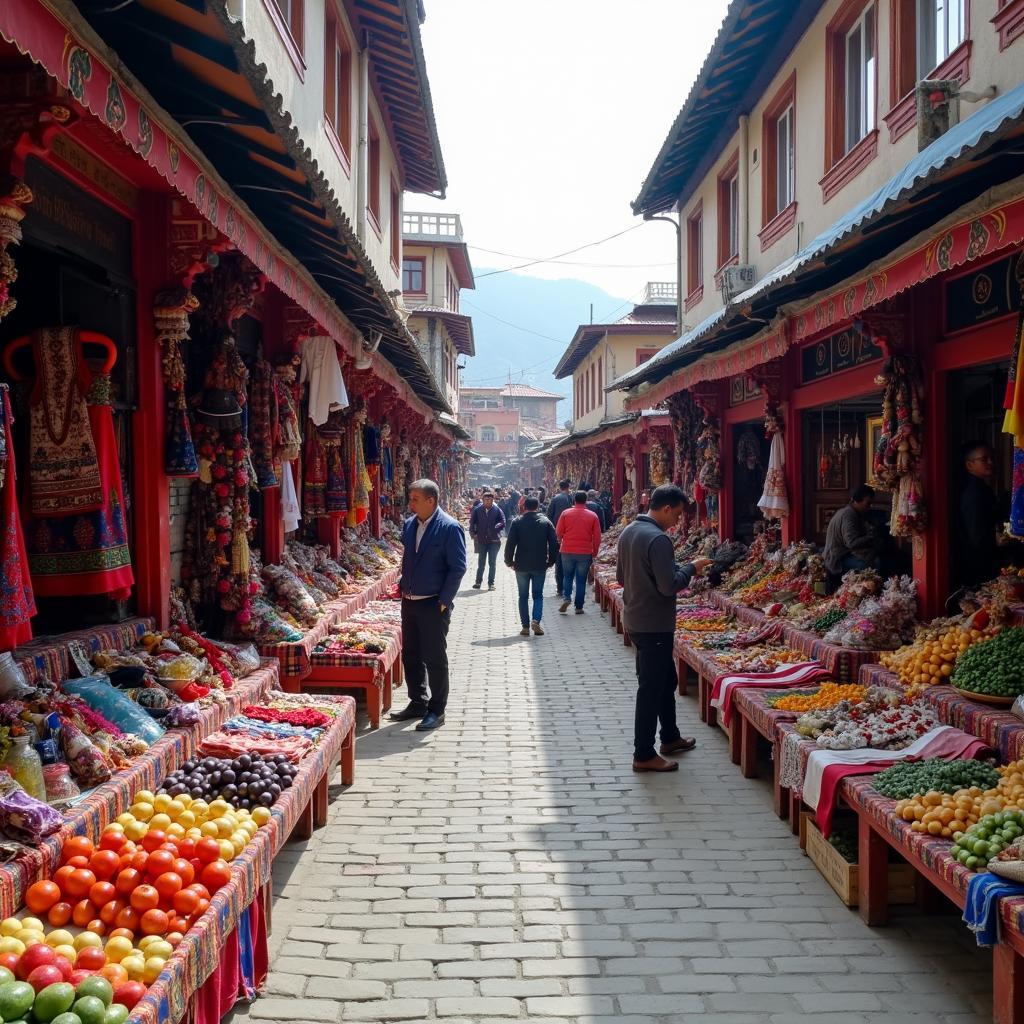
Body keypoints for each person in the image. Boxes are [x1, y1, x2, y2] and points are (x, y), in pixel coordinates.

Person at [617, 484, 713, 772]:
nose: (678, 521)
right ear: (667, 508)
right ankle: (643, 753)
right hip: (653, 624)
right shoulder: (658, 539)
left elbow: (623, 577)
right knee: (650, 688)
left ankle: (669, 736)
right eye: (678, 514)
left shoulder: (629, 531)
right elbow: (669, 585)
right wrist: (692, 568)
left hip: (637, 618)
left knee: (665, 681)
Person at [391, 479, 467, 731]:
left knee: (434, 657)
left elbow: (458, 567)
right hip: (409, 601)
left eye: (414, 499)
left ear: (430, 501)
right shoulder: (410, 525)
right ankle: (417, 701)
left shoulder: (449, 527)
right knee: (411, 654)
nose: (410, 503)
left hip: (433, 604)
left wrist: (444, 601)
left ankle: (437, 709)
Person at [504, 495, 559, 636]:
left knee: (523, 596)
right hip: (540, 564)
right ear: (538, 507)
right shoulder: (546, 522)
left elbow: (510, 544)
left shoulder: (517, 522)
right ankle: (536, 620)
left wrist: (509, 562)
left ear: (524, 507)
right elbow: (554, 544)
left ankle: (525, 627)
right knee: (538, 595)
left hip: (521, 565)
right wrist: (551, 561)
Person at [957, 441, 1003, 587]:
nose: (990, 462)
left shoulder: (980, 487)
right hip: (978, 562)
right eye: (984, 459)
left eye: (992, 458)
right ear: (969, 465)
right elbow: (977, 534)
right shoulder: (974, 492)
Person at [556, 490, 601, 614]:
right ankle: (579, 606)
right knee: (581, 579)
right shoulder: (592, 515)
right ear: (586, 501)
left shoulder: (565, 513)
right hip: (585, 552)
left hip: (567, 550)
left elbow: (558, 532)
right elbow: (597, 536)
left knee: (568, 576)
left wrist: (561, 540)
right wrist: (595, 551)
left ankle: (566, 598)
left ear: (574, 500)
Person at [823, 485, 878, 579]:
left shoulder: (850, 512)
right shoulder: (848, 515)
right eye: (868, 503)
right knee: (871, 564)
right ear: (856, 501)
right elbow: (852, 543)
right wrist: (871, 537)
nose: (870, 506)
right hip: (837, 559)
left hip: (842, 554)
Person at [469, 490, 505, 591]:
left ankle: (491, 583)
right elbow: (472, 522)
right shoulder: (477, 510)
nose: (488, 501)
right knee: (481, 562)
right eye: (486, 499)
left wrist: (496, 527)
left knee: (492, 563)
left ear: (493, 499)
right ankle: (478, 582)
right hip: (481, 540)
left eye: (490, 499)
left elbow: (503, 521)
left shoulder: (497, 510)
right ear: (482, 500)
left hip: (494, 541)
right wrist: (473, 534)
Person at [546, 479, 573, 596]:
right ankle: (567, 588)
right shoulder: (570, 499)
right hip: (569, 535)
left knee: (559, 561)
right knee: (568, 562)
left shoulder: (556, 499)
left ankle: (560, 588)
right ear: (568, 487)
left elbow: (549, 515)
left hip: (557, 535)